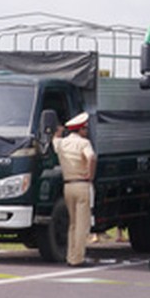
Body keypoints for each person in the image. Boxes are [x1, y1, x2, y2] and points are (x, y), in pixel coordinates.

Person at [52, 112, 97, 267]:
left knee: (72, 223)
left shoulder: (62, 143)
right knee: (82, 224)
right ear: (81, 130)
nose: (86, 131)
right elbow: (91, 157)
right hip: (82, 183)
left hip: (68, 185)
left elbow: (55, 140)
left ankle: (71, 256)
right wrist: (90, 174)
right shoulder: (84, 143)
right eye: (85, 128)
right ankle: (78, 258)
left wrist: (58, 131)